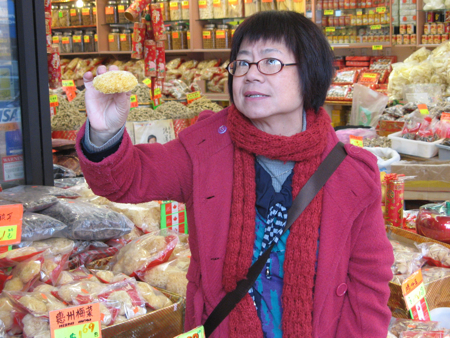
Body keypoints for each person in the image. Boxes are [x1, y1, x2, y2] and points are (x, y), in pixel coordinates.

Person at [76, 11, 394, 338]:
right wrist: (104, 132)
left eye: (270, 62)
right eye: (241, 63)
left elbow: (369, 281)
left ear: (311, 73)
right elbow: (126, 179)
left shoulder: (350, 170)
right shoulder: (204, 148)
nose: (250, 75)